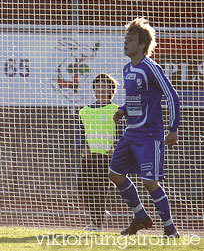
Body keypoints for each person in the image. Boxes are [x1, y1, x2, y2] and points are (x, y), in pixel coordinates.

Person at [108, 17, 181, 237]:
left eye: (129, 40)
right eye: (125, 39)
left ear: (141, 45)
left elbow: (172, 96)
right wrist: (122, 110)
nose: (125, 43)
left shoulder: (151, 68)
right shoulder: (127, 69)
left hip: (150, 135)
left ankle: (170, 229)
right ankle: (140, 216)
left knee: (150, 182)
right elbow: (136, 99)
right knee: (115, 174)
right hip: (131, 133)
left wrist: (173, 128)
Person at [76, 73, 120, 231]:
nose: (100, 89)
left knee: (100, 190)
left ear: (111, 90)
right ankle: (100, 214)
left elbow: (122, 133)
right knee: (83, 187)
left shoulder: (116, 110)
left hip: (106, 157)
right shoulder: (85, 110)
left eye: (104, 86)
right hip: (88, 157)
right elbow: (80, 132)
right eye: (97, 86)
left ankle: (97, 224)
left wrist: (116, 147)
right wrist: (82, 146)